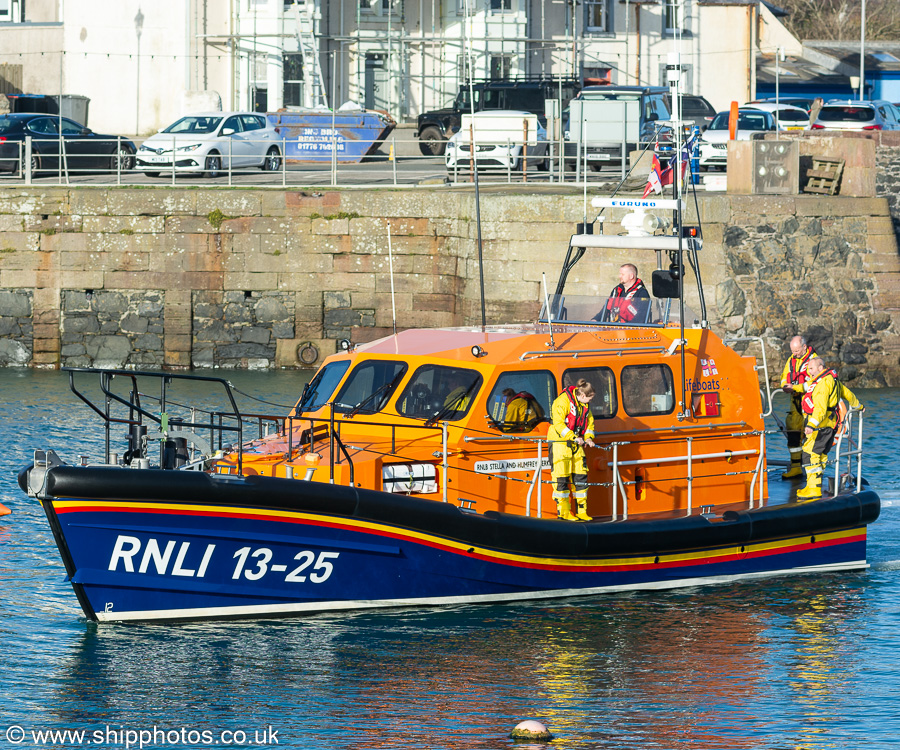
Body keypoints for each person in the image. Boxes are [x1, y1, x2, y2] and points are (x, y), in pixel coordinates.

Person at [798, 357, 862, 500]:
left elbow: (819, 410)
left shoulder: (822, 385)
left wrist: (810, 425)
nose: (809, 372)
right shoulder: (833, 381)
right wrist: (859, 406)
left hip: (820, 427)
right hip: (829, 426)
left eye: (811, 369)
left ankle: (813, 488)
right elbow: (849, 395)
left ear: (820, 368)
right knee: (821, 455)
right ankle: (813, 484)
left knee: (810, 453)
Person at [547, 379, 596, 521]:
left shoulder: (584, 405)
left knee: (581, 476)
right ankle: (564, 513)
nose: (590, 401)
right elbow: (558, 424)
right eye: (589, 398)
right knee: (560, 478)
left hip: (576, 444)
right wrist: (573, 437)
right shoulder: (562, 401)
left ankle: (582, 511)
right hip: (559, 443)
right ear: (582, 395)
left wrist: (588, 438)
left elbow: (590, 424)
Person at [780, 335, 816, 479]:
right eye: (792, 351)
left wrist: (796, 387)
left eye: (796, 351)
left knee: (810, 437)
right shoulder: (791, 360)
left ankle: (811, 470)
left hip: (809, 402)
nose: (794, 354)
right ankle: (796, 467)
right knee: (793, 433)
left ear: (804, 347)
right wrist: (784, 386)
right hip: (795, 401)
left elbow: (814, 382)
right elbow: (784, 375)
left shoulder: (814, 361)